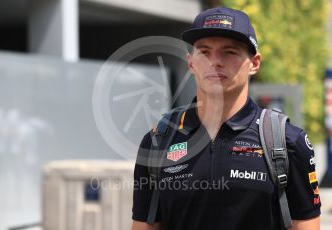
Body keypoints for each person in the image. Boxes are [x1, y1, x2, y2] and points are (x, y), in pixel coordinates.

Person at [131, 6, 321, 230]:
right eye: (204, 52)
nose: (215, 61)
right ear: (191, 62)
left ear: (255, 63)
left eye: (229, 52)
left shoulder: (287, 141)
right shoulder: (158, 142)